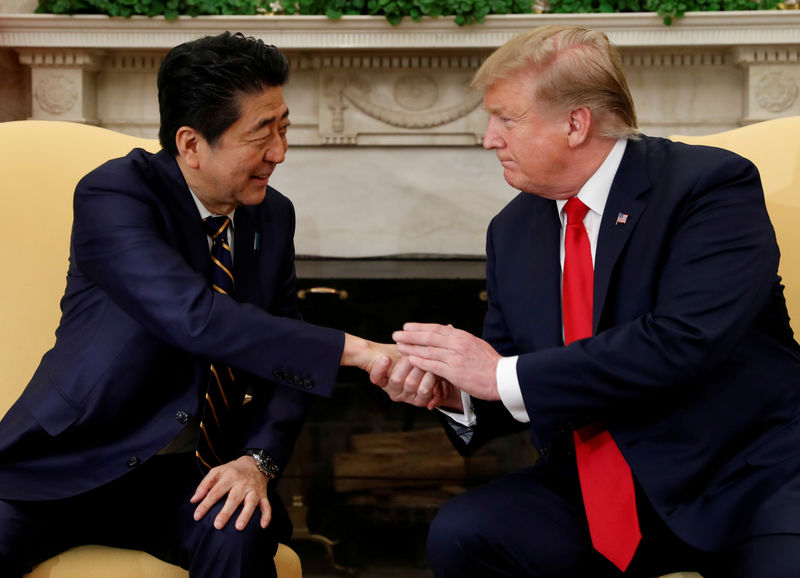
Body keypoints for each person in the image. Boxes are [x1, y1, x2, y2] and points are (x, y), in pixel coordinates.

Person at [373, 24, 800, 578]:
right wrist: (454, 391)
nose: (488, 139)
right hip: (600, 485)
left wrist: (497, 374)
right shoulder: (513, 229)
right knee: (468, 531)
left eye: (506, 118)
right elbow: (511, 365)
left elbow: (682, 341)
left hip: (743, 478)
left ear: (576, 123)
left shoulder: (708, 187)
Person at [0, 32, 398, 578]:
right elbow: (193, 317)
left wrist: (258, 461)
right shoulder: (115, 194)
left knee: (238, 534)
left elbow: (285, 366)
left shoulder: (271, 215)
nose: (279, 152)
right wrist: (355, 351)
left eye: (283, 127)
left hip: (185, 477)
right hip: (65, 462)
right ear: (190, 143)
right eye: (261, 134)